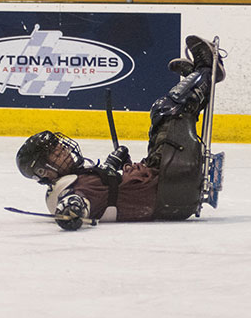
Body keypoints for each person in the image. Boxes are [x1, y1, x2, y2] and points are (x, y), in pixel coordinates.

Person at [15, 35, 225, 230]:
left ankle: (198, 80)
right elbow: (78, 201)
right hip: (167, 191)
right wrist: (71, 211)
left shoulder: (73, 178)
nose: (63, 149)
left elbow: (103, 190)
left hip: (161, 184)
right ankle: (207, 70)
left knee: (159, 117)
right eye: (55, 152)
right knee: (167, 111)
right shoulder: (66, 190)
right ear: (44, 171)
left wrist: (112, 165)